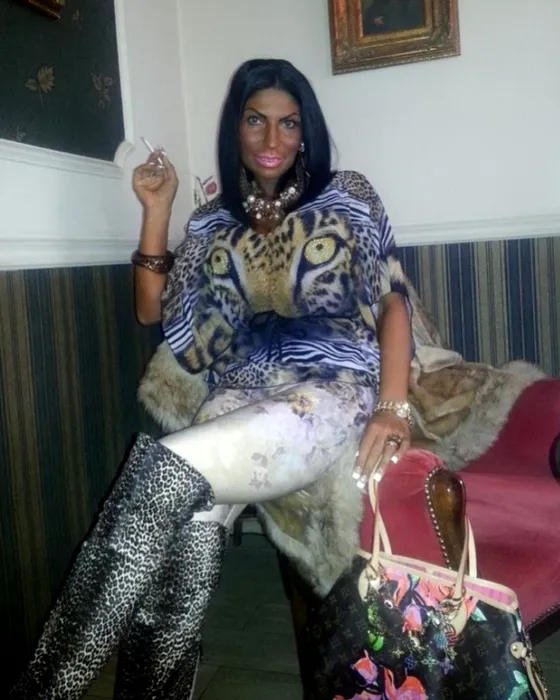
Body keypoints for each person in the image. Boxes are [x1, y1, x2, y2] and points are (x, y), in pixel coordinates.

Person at [10, 58, 413, 700]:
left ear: (306, 130)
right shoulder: (211, 219)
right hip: (241, 388)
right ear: (235, 128)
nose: (273, 139)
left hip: (330, 383)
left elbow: (392, 300)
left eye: (288, 123)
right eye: (256, 120)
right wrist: (158, 208)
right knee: (190, 527)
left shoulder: (347, 194)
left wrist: (393, 406)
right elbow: (152, 311)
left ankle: (44, 688)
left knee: (162, 477)